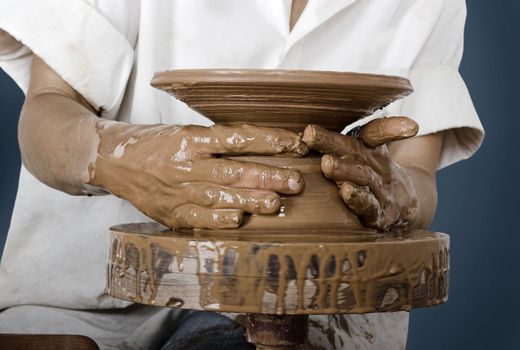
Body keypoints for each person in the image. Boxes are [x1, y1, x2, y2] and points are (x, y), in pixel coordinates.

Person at [0, 0, 483, 349]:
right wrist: (118, 157)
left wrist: (395, 192)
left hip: (317, 306)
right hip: (87, 299)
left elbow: (415, 174)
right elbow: (46, 118)